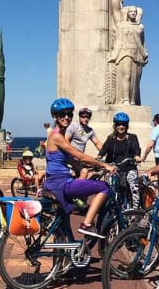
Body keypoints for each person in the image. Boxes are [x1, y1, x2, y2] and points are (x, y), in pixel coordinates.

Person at [43, 98, 115, 238]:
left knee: (65, 224)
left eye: (69, 114)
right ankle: (86, 224)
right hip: (61, 184)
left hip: (56, 182)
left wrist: (86, 166)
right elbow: (78, 155)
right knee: (104, 187)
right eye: (62, 114)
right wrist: (104, 165)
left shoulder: (61, 134)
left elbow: (70, 159)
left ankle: (68, 253)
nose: (66, 117)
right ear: (54, 116)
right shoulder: (57, 136)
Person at [98, 112, 142, 209]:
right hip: (114, 168)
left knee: (133, 183)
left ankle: (135, 209)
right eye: (118, 124)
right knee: (110, 184)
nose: (121, 127)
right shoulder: (111, 139)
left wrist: (137, 156)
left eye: (123, 124)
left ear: (127, 126)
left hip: (129, 166)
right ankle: (111, 206)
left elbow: (136, 149)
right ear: (115, 126)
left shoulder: (132, 137)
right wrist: (99, 156)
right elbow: (104, 149)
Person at [109, 6, 149, 105]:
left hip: (138, 53)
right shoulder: (121, 26)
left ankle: (132, 100)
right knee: (126, 75)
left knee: (135, 79)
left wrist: (145, 53)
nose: (133, 13)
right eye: (131, 11)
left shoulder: (140, 27)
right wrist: (114, 56)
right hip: (125, 52)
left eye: (134, 12)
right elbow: (118, 41)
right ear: (127, 13)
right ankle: (125, 99)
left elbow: (143, 42)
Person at [65, 107, 103, 179]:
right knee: (84, 171)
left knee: (94, 169)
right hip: (71, 157)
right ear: (79, 117)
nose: (85, 119)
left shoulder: (90, 130)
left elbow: (97, 143)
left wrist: (105, 154)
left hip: (80, 158)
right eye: (83, 117)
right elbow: (66, 141)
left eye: (88, 117)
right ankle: (76, 189)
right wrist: (73, 153)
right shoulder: (73, 127)